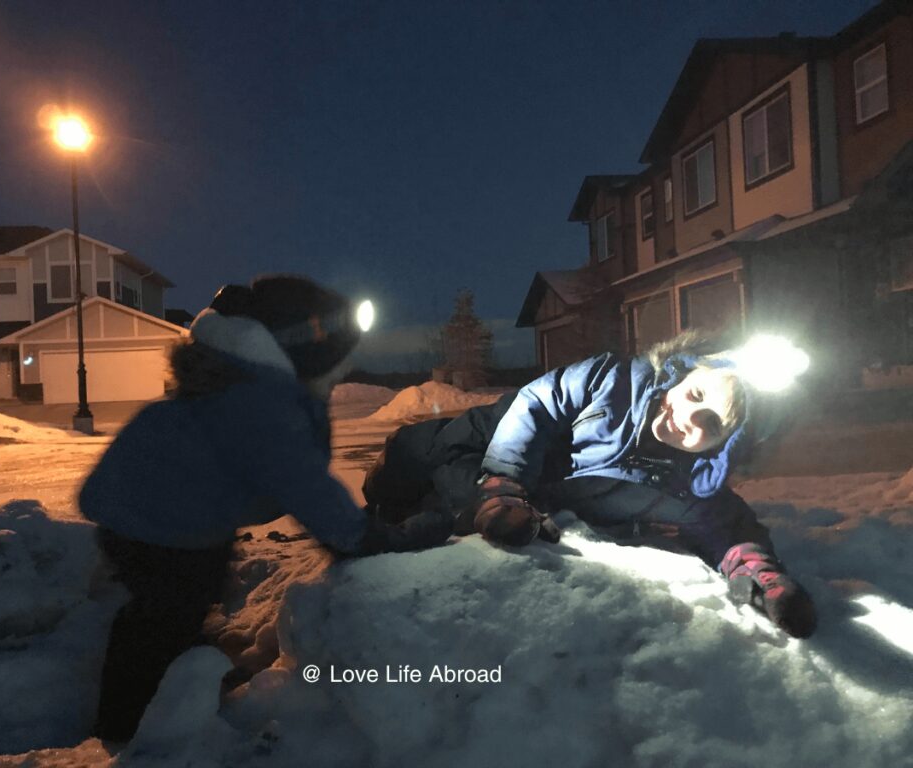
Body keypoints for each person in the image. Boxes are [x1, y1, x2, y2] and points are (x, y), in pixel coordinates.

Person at [79, 275, 445, 742]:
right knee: (164, 614)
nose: (338, 379)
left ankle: (182, 666)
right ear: (301, 354)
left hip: (160, 515)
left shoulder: (240, 386)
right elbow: (303, 485)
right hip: (163, 525)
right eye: (335, 369)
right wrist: (370, 538)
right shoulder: (260, 404)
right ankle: (130, 724)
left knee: (177, 600)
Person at [362, 332, 817, 639]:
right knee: (410, 469)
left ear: (723, 449)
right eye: (696, 396)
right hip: (487, 440)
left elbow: (728, 528)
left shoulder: (688, 485)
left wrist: (762, 577)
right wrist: (502, 484)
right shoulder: (614, 382)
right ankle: (383, 509)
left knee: (444, 525)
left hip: (540, 491)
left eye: (711, 424)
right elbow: (537, 404)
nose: (688, 417)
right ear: (682, 374)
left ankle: (395, 528)